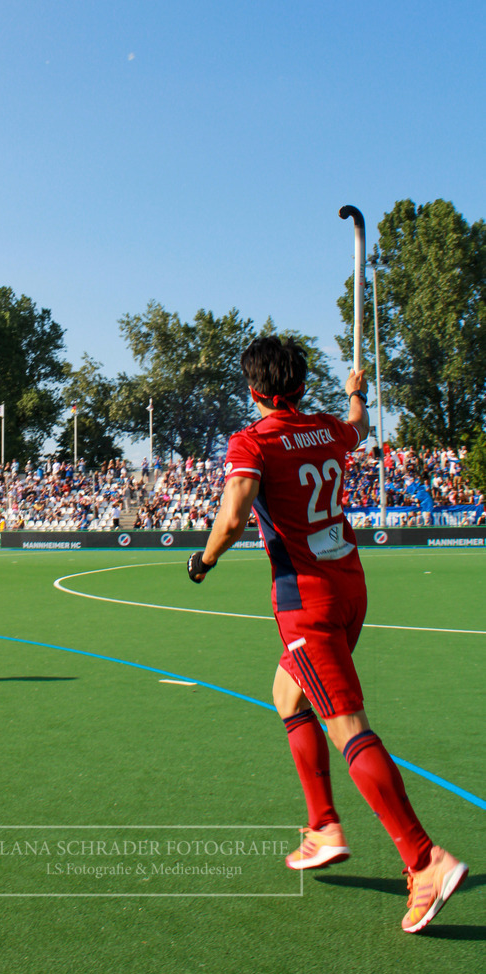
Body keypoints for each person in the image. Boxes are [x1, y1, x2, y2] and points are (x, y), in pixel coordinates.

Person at [187, 335, 467, 933]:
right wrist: (356, 391)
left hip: (306, 602)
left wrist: (203, 560)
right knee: (287, 695)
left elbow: (234, 515)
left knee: (347, 724)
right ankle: (323, 827)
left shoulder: (252, 441)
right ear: (299, 384)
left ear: (254, 388)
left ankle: (425, 860)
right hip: (349, 586)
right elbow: (358, 425)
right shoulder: (325, 429)